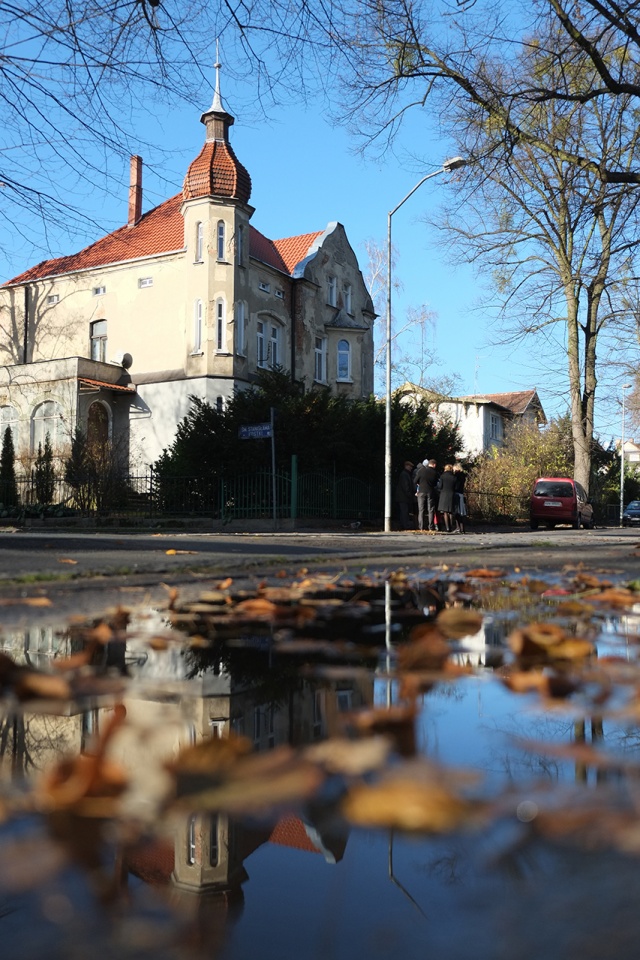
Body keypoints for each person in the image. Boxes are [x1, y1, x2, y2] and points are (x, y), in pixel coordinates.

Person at [414, 458, 439, 531]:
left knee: (421, 510)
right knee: (430, 509)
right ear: (434, 465)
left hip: (421, 491)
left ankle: (421, 527)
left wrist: (420, 484)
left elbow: (415, 480)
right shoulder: (434, 472)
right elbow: (435, 484)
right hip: (430, 492)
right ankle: (430, 527)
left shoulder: (421, 470)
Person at [394, 460, 416, 530]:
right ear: (406, 466)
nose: (411, 468)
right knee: (404, 511)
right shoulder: (404, 474)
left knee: (404, 511)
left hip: (403, 496)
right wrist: (409, 494)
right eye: (410, 466)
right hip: (403, 497)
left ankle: (404, 524)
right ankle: (405, 525)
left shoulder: (405, 474)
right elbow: (406, 486)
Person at [437, 463, 457, 533]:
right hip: (451, 494)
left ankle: (447, 527)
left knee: (445, 512)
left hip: (444, 494)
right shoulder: (454, 477)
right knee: (451, 511)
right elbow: (456, 487)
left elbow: (439, 486)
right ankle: (451, 526)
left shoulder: (442, 476)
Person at [453, 463, 468, 533]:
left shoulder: (456, 476)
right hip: (461, 493)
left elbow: (455, 485)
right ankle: (462, 528)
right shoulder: (462, 475)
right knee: (461, 512)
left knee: (457, 512)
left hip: (456, 493)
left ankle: (458, 527)